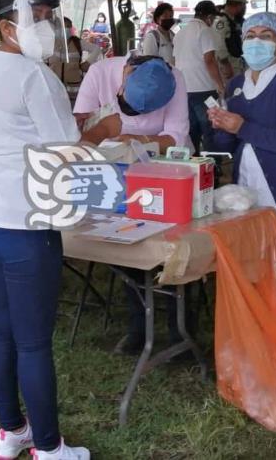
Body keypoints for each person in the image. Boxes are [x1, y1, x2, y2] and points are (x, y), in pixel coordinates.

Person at [0, 0, 121, 460]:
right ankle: (51, 449)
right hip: (24, 224)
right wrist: (103, 129)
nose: (47, 27)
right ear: (6, 25)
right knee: (33, 343)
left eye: (49, 17)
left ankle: (12, 430)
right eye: (36, 17)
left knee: (2, 331)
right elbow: (67, 152)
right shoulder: (36, 77)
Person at [208, 12, 276, 367]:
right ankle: (261, 349)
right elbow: (229, 143)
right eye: (250, 34)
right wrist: (222, 126)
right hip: (249, 197)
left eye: (266, 35)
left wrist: (243, 126)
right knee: (254, 275)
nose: (256, 41)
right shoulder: (237, 85)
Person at [74, 54, 192, 356]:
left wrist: (135, 138)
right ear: (124, 78)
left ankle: (180, 329)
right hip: (119, 174)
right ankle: (138, 325)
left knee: (176, 245)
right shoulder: (101, 72)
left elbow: (176, 137)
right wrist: (90, 143)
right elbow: (82, 127)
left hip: (167, 171)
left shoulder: (174, 77)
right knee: (126, 243)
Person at [173, 0, 225, 153]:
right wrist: (220, 85)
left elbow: (175, 61)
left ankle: (195, 163)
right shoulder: (205, 31)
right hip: (205, 89)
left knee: (191, 130)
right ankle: (212, 165)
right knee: (211, 128)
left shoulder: (181, 32)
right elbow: (209, 60)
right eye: (213, 18)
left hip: (184, 90)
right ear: (209, 17)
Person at [213, 0, 247, 78]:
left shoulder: (233, 20)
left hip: (235, 64)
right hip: (228, 66)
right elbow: (219, 45)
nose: (244, 9)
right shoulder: (222, 21)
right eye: (244, 6)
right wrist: (225, 65)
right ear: (239, 6)